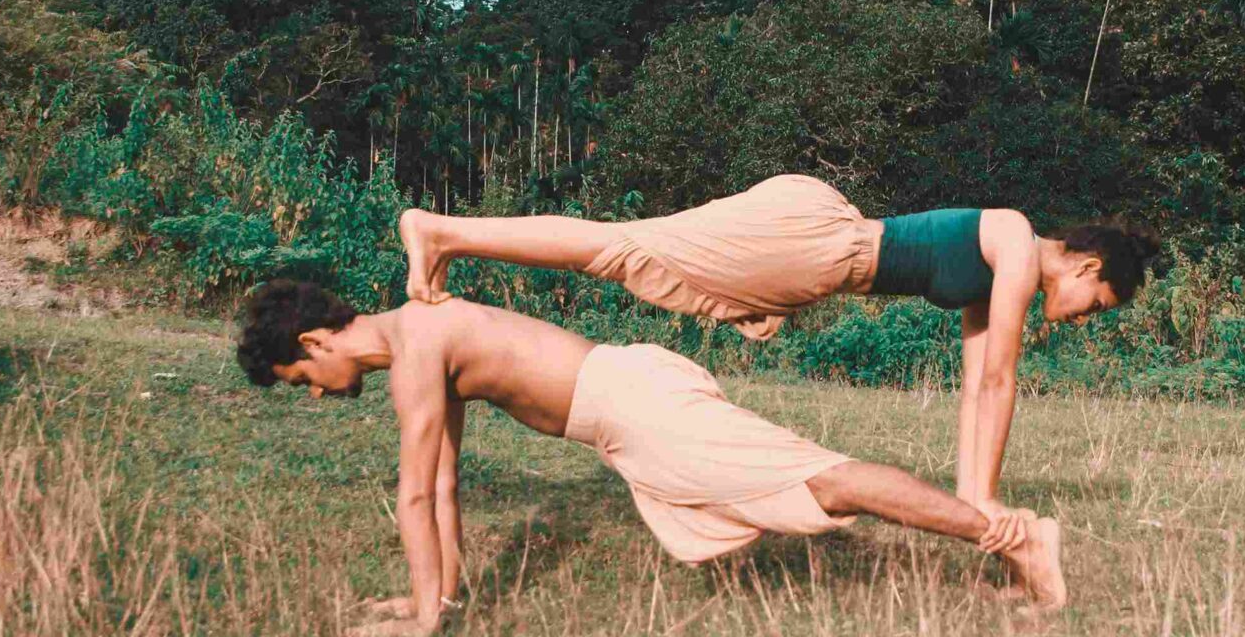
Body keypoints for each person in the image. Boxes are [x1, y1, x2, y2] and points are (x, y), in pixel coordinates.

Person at [236, 278, 1065, 637]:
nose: (314, 391)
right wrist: (437, 598)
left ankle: (1014, 536)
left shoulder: (415, 347)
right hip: (626, 412)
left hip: (633, 407)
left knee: (828, 481)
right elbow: (444, 487)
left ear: (313, 342)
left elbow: (416, 499)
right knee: (820, 484)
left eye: (301, 377)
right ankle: (1009, 537)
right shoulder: (418, 340)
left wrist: (420, 620)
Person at [396, 177, 1156, 508]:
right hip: (819, 245)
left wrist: (972, 498)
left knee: (634, 251)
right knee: (619, 248)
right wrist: (984, 503)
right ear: (1086, 265)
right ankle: (442, 232)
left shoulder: (998, 274)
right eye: (1100, 300)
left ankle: (448, 235)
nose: (1089, 314)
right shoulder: (1018, 246)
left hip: (814, 256)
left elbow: (977, 391)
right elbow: (999, 385)